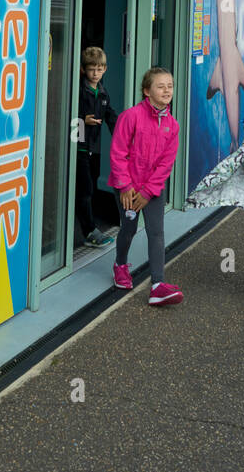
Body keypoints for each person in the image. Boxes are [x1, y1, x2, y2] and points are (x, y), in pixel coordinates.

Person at [108, 67, 183, 305]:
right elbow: (118, 153)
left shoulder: (173, 125)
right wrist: (125, 187)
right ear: (146, 91)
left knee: (157, 232)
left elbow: (165, 164)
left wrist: (149, 191)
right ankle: (120, 264)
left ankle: (158, 285)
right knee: (128, 229)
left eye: (169, 86)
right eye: (160, 86)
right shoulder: (130, 116)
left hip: (152, 190)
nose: (166, 90)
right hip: (127, 188)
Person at [75, 47, 118, 247]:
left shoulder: (102, 91)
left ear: (105, 69)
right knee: (86, 189)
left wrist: (123, 132)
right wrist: (83, 119)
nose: (95, 73)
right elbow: (67, 113)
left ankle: (87, 225)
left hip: (92, 147)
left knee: (87, 187)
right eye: (92, 69)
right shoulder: (78, 90)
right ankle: (89, 231)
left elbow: (109, 114)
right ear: (84, 70)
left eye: (99, 69)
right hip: (79, 146)